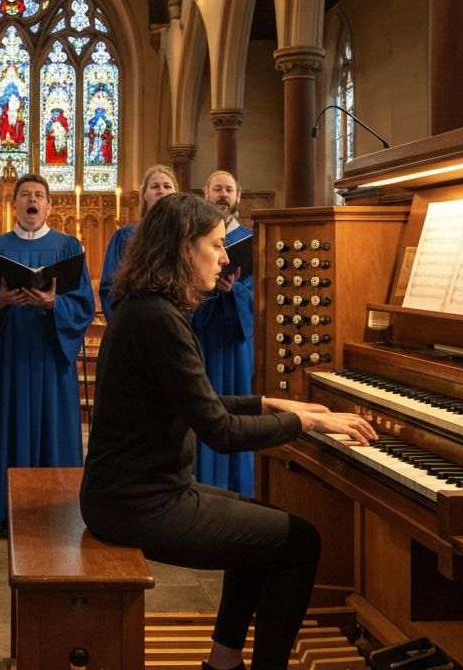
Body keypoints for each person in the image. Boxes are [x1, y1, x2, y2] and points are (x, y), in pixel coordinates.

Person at [80, 192, 376, 670]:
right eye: (216, 245)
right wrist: (305, 421)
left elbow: (198, 400)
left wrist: (269, 402)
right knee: (300, 542)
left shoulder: (147, 309)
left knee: (262, 522)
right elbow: (219, 431)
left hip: (129, 493)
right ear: (185, 247)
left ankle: (223, 662)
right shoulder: (159, 320)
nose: (224, 258)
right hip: (140, 505)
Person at [0, 173, 95, 537]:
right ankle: (8, 512)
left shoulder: (68, 248)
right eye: (25, 194)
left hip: (52, 358)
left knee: (54, 430)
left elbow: (84, 304)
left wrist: (54, 304)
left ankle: (57, 509)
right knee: (10, 427)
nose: (32, 200)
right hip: (10, 356)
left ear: (49, 205)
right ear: (14, 204)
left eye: (39, 194)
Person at [192, 170, 255, 494]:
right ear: (206, 194)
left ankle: (239, 490)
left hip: (237, 346)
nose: (223, 195)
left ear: (238, 196)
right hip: (204, 342)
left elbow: (260, 296)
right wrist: (208, 288)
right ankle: (204, 488)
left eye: (229, 189)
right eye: (217, 189)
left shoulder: (251, 240)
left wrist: (234, 291)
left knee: (240, 410)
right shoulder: (195, 238)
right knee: (204, 408)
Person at [98, 163, 178, 321]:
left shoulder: (186, 237)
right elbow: (110, 287)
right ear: (144, 195)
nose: (161, 190)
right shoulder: (124, 236)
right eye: (154, 186)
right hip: (133, 322)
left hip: (177, 322)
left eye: (167, 186)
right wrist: (123, 324)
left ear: (176, 194)